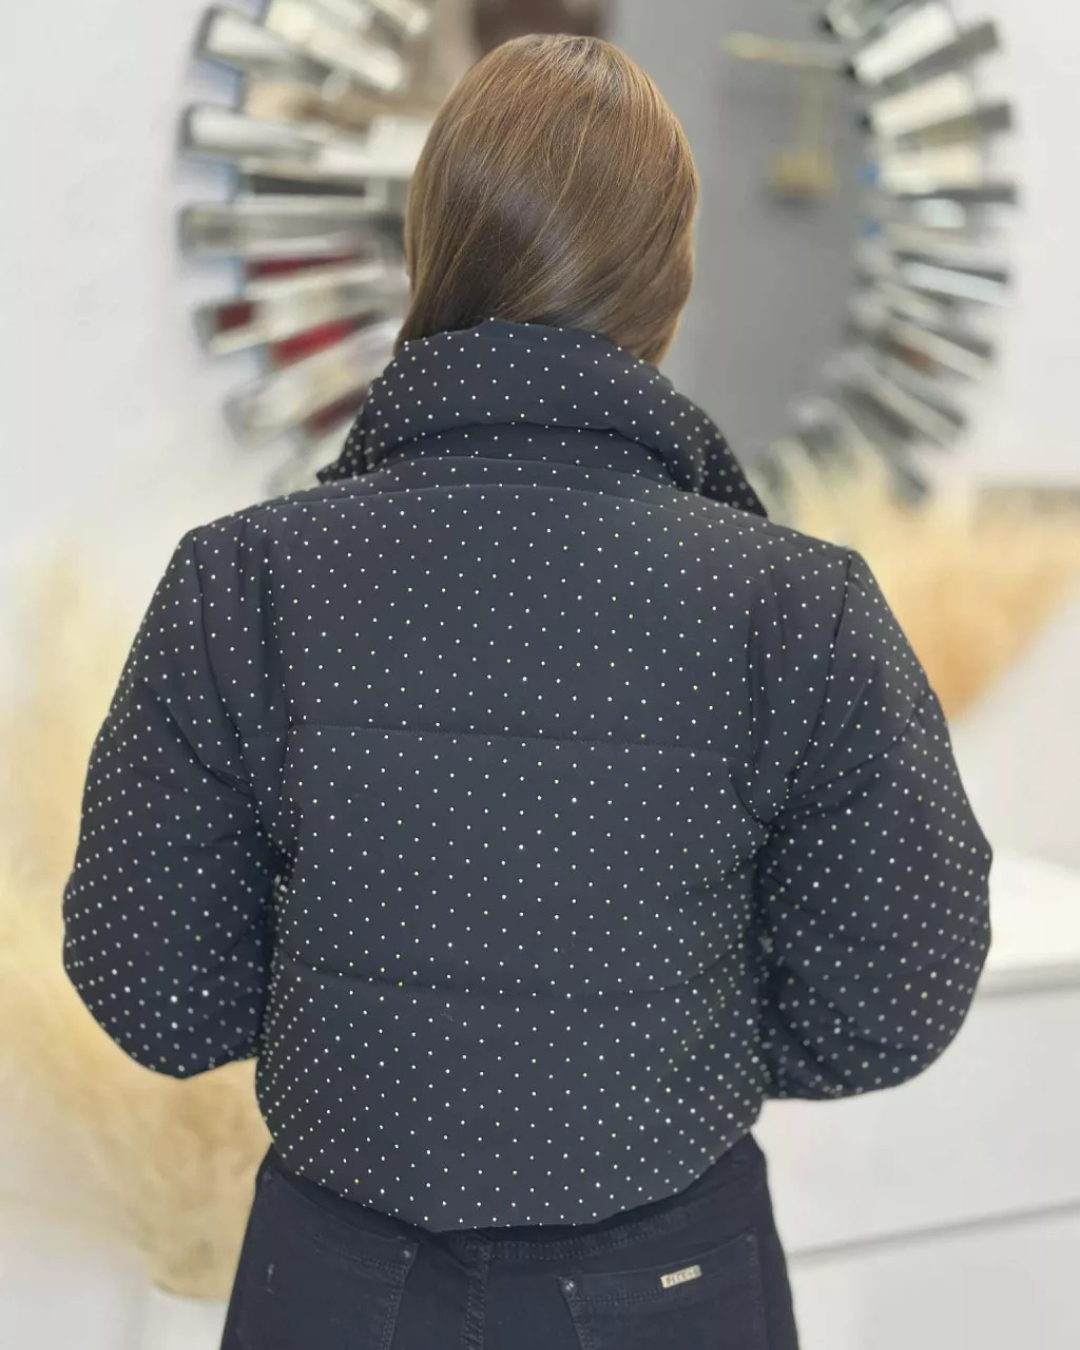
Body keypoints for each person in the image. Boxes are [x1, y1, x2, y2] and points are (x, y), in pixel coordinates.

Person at [63, 34, 992, 1350]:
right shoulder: (795, 605)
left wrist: (365, 1026)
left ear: (428, 253)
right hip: (673, 1278)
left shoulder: (247, 580)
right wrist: (669, 1049)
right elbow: (897, 992)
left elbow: (152, 986)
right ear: (671, 275)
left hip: (334, 1281)